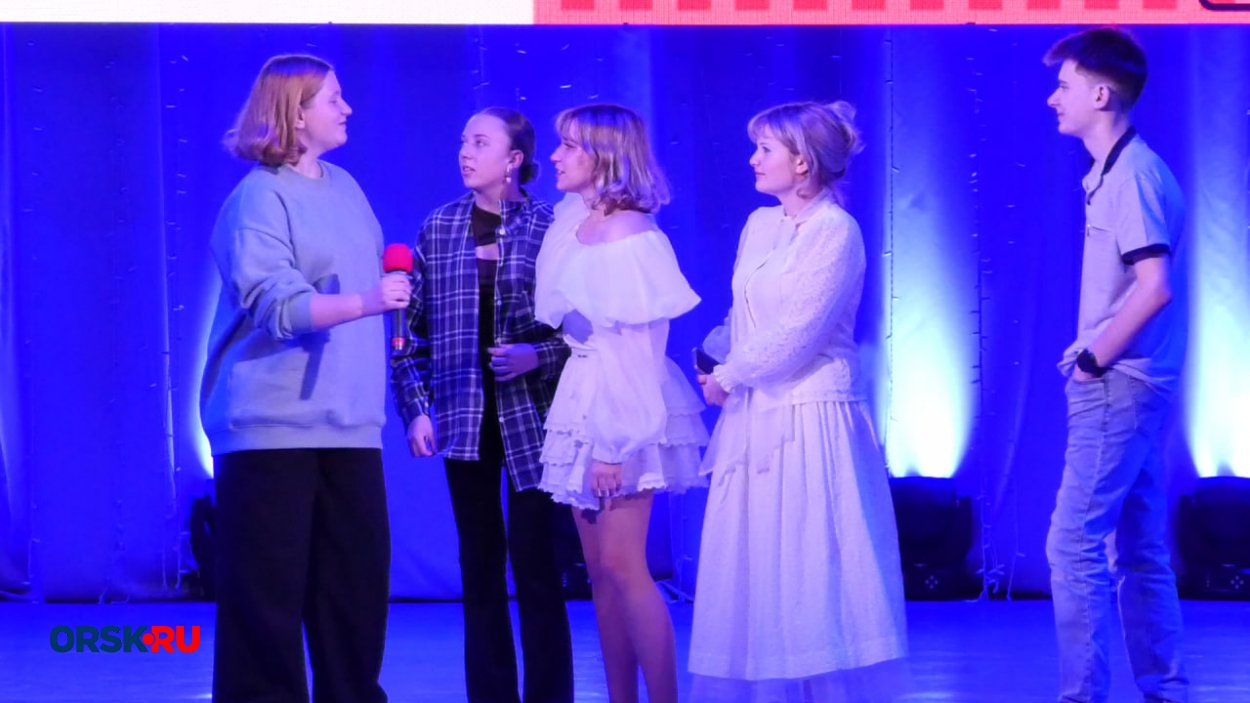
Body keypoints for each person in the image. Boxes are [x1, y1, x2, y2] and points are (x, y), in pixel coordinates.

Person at [201, 54, 406, 703]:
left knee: (355, 602)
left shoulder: (346, 187)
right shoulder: (257, 199)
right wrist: (368, 301)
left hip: (350, 427)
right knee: (266, 609)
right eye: (333, 99)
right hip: (271, 430)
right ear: (295, 113)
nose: (347, 109)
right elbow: (279, 307)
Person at [688, 101, 908, 703]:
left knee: (809, 562)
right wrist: (712, 358)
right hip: (755, 409)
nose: (753, 160)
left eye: (765, 149)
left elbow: (799, 332)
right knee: (759, 559)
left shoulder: (836, 232)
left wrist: (730, 376)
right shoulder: (761, 224)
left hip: (809, 414)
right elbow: (749, 315)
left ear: (803, 162)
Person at [389, 107, 574, 703]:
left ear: (514, 158)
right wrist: (416, 408)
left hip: (535, 420)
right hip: (464, 417)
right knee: (480, 564)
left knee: (538, 565)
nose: (465, 152)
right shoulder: (440, 227)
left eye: (480, 142)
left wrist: (535, 356)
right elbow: (408, 334)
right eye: (463, 141)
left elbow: (584, 334)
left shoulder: (550, 227)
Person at [533, 103, 707, 703]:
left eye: (570, 146)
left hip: (622, 404)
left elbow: (635, 350)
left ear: (604, 156)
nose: (556, 157)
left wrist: (614, 444)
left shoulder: (631, 236)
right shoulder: (574, 221)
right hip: (581, 393)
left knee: (624, 565)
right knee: (601, 574)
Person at [1043, 27, 1189, 703]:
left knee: (1073, 545)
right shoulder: (1122, 171)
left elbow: (1154, 287)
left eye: (1064, 86)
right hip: (1135, 381)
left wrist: (1093, 359)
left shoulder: (1132, 176)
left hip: (1119, 383)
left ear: (1101, 95)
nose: (1054, 99)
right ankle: (1165, 690)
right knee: (1139, 549)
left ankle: (1084, 696)